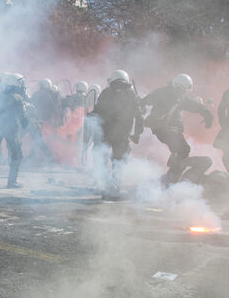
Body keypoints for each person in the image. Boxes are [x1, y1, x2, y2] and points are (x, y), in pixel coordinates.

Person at [141, 73, 213, 185]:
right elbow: (144, 101)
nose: (183, 93)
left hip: (166, 129)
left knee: (182, 151)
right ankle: (172, 176)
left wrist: (208, 115)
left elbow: (195, 106)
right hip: (165, 129)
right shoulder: (166, 94)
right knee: (183, 150)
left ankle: (172, 175)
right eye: (182, 90)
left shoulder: (172, 95)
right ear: (178, 87)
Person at [90, 70, 144, 200]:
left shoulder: (106, 92)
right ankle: (115, 189)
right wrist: (137, 133)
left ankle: (107, 184)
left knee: (100, 158)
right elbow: (139, 116)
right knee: (118, 162)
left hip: (105, 133)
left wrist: (90, 120)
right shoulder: (132, 95)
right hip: (122, 135)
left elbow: (97, 112)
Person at [0, 72, 29, 188]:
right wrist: (25, 123)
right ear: (15, 83)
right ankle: (12, 181)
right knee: (17, 154)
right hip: (11, 129)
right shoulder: (18, 98)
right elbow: (23, 117)